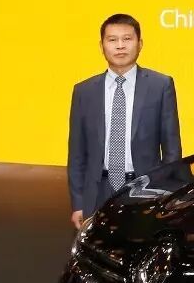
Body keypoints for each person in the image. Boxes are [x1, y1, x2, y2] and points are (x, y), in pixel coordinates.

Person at [67, 13, 182, 229]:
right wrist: (78, 203)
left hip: (146, 190)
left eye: (127, 39)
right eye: (112, 40)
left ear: (140, 44)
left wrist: (167, 195)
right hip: (97, 192)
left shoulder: (160, 85)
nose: (120, 46)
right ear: (102, 46)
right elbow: (77, 153)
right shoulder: (84, 91)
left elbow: (172, 150)